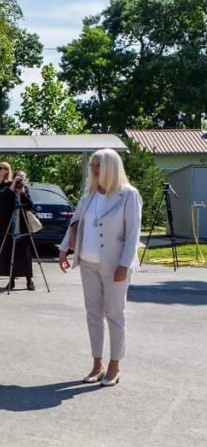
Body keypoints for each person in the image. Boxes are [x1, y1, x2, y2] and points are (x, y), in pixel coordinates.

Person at [58, 149, 141, 387]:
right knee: (93, 314)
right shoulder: (89, 196)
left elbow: (133, 234)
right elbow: (76, 224)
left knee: (115, 314)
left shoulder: (128, 195)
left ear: (111, 167)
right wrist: (64, 249)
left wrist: (124, 264)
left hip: (115, 265)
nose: (93, 169)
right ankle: (97, 364)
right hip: (88, 262)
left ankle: (115, 365)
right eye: (92, 165)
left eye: (98, 164)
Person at [0, 168, 36, 290]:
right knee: (10, 253)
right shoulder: (8, 189)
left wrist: (23, 194)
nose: (21, 181)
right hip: (9, 226)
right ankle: (11, 280)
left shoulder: (24, 190)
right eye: (18, 178)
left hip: (22, 227)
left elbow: (30, 206)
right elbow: (2, 203)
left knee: (25, 254)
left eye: (23, 178)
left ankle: (29, 280)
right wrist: (12, 188)